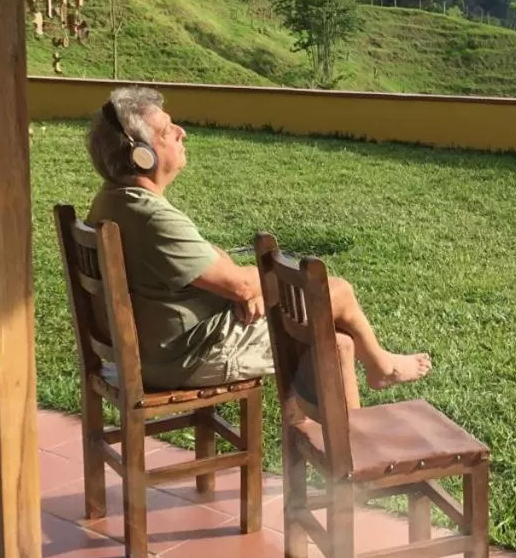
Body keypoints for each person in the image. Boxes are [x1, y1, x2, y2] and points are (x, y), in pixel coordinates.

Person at [84, 85, 431, 407]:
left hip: (153, 349)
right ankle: (377, 379)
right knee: (334, 294)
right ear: (141, 155)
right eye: (166, 131)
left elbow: (211, 256)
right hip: (184, 356)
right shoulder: (150, 216)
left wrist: (251, 290)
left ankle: (346, 449)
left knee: (337, 340)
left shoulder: (115, 200)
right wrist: (253, 289)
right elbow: (240, 283)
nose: (181, 133)